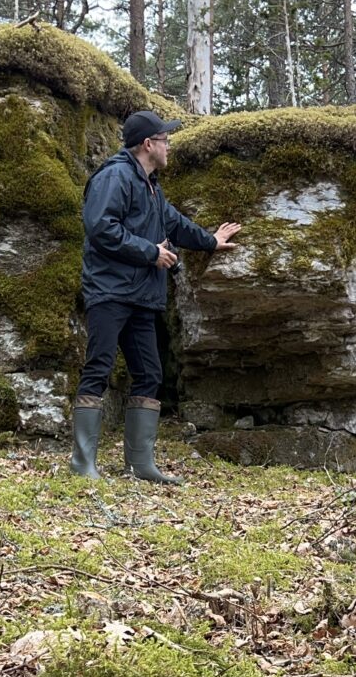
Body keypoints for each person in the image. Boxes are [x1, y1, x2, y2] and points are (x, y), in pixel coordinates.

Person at [71, 109, 241, 482]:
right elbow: (101, 228)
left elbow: (173, 223)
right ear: (148, 144)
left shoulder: (150, 184)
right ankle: (82, 464)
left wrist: (210, 241)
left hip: (142, 298)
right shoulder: (115, 176)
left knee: (149, 374)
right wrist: (151, 252)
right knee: (99, 368)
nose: (169, 145)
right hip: (110, 292)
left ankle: (140, 465)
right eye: (165, 140)